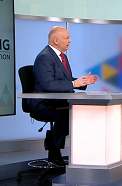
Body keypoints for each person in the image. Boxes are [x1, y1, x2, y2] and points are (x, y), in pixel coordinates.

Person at [29, 26, 99, 166]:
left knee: (80, 112)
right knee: (67, 115)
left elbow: (64, 80)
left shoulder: (62, 57)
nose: (70, 41)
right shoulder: (44, 57)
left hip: (58, 101)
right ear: (56, 40)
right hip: (43, 102)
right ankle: (54, 149)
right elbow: (48, 85)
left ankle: (53, 141)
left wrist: (82, 82)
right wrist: (74, 84)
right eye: (67, 38)